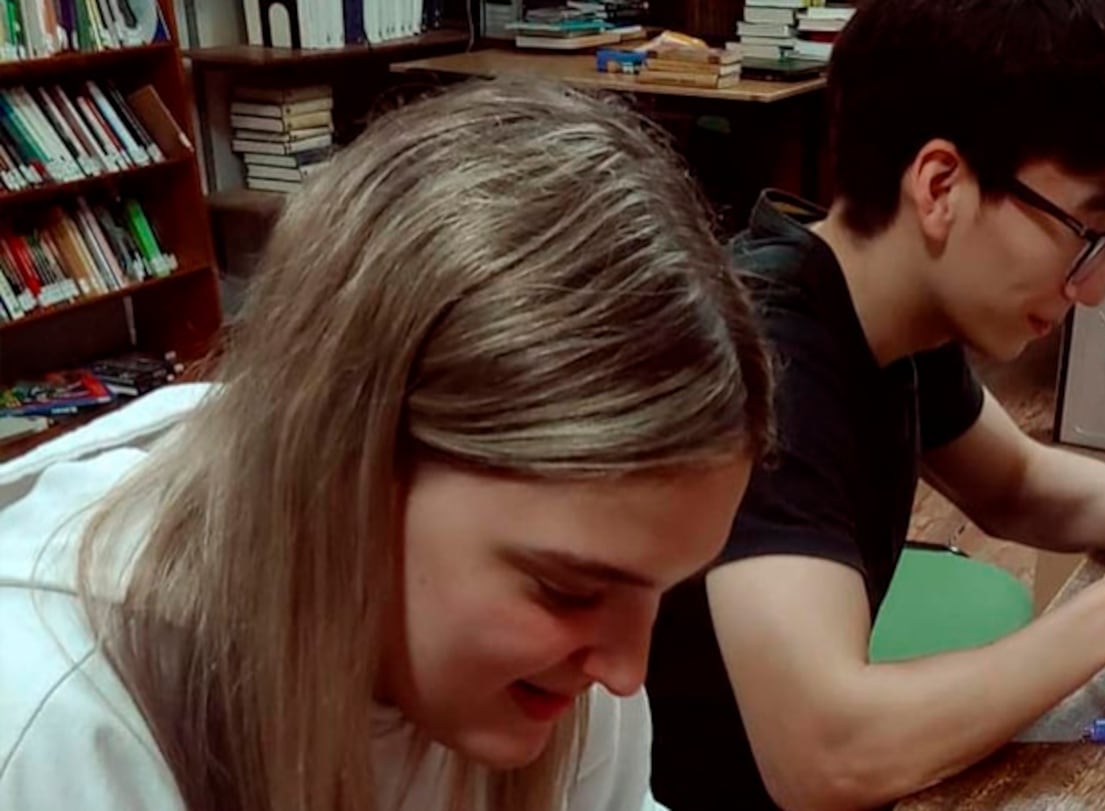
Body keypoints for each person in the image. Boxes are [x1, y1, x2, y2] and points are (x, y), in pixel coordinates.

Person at [0, 79, 772, 811]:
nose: (626, 672)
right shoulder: (60, 724)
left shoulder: (556, 662)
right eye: (566, 590)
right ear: (346, 470)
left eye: (664, 590)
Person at [645, 2, 1105, 810]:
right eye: (1081, 231)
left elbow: (1016, 485)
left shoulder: (887, 301)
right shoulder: (768, 356)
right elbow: (826, 755)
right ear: (941, 186)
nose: (1095, 286)